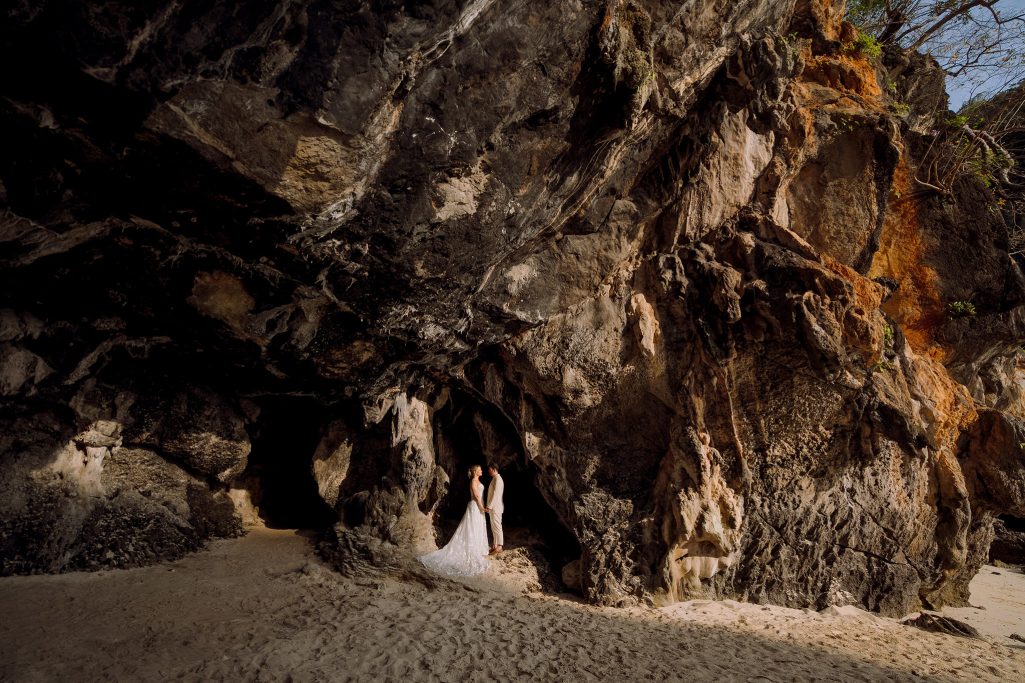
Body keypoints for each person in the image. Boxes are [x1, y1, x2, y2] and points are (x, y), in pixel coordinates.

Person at [419, 465, 490, 577]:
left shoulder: (477, 480)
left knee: (476, 526)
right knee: (472, 526)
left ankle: (478, 547)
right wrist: (482, 507)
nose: (482, 471)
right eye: (480, 469)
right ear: (475, 471)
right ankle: (471, 549)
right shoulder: (473, 481)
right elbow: (476, 495)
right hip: (475, 506)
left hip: (478, 506)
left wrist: (483, 506)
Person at [486, 463, 504, 555]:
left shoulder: (498, 479)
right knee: (494, 527)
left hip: (496, 507)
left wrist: (489, 506)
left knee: (497, 526)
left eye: (490, 469)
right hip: (494, 507)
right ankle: (495, 545)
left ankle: (500, 546)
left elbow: (496, 494)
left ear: (494, 469)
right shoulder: (495, 478)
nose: (489, 471)